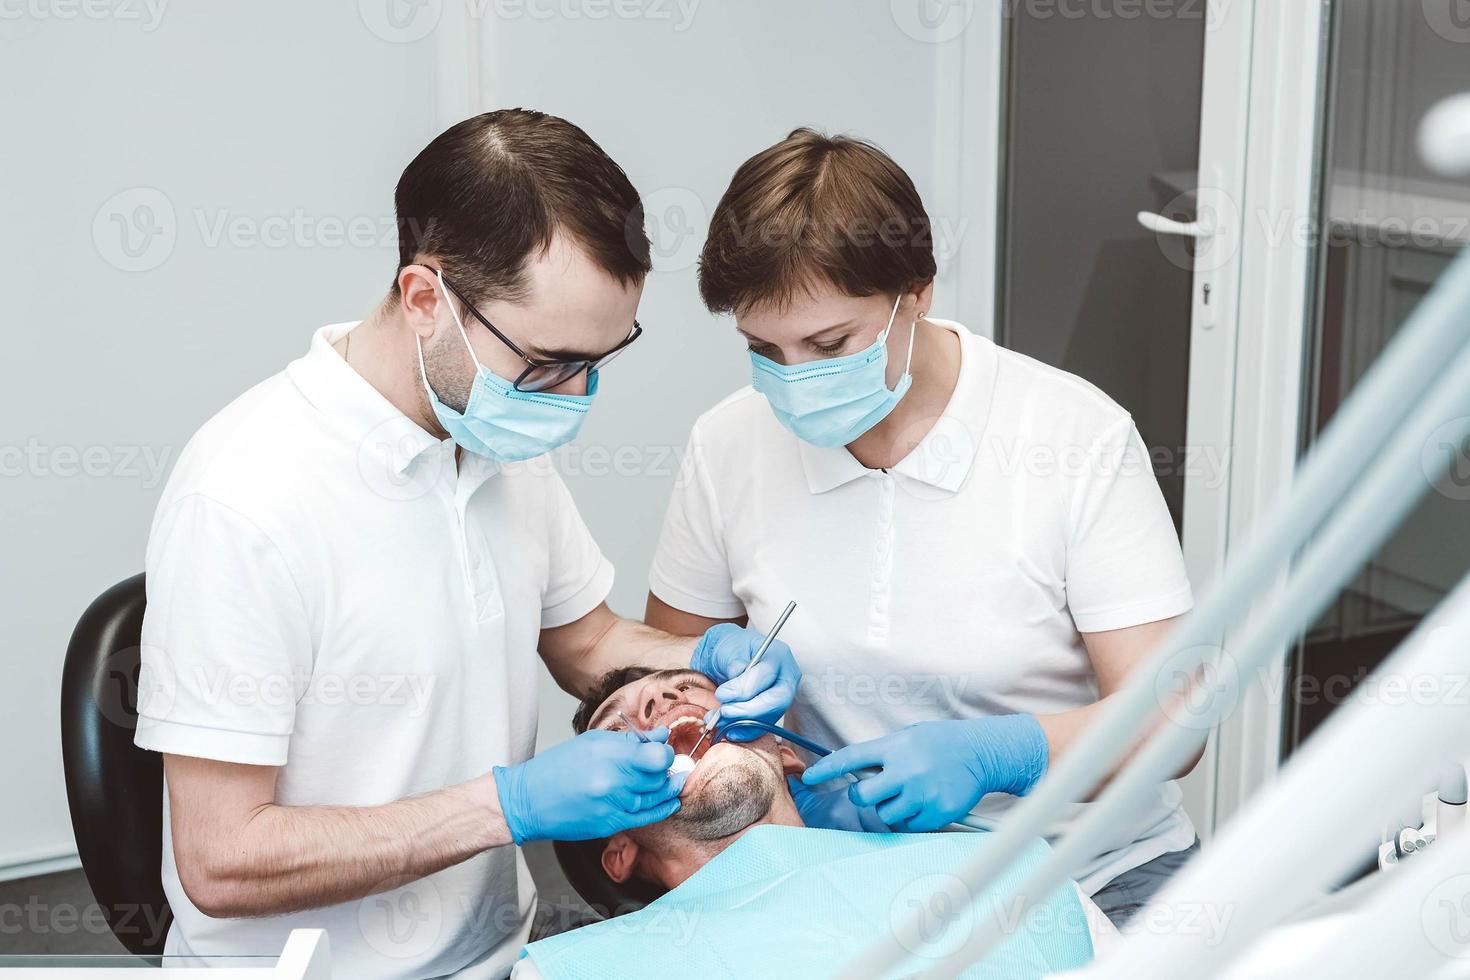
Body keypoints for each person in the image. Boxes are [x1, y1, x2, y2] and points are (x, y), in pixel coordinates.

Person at [132, 109, 800, 979]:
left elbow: (587, 642)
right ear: (424, 300)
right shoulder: (245, 498)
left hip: (499, 958)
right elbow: (220, 860)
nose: (576, 394)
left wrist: (709, 651)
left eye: (600, 359)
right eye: (551, 362)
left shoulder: (496, 440)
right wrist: (507, 806)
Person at [644, 128, 1202, 925]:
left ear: (917, 291)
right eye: (764, 349)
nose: (795, 382)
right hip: (842, 866)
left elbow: (1176, 720)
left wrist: (1004, 753)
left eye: (829, 343)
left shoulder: (1074, 437)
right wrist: (724, 703)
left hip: (1089, 871)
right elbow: (663, 673)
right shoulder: (729, 441)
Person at [514, 666, 1113, 979]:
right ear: (615, 848)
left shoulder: (1015, 875)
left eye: (688, 688)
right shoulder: (575, 971)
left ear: (787, 752)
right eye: (617, 732)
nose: (656, 704)